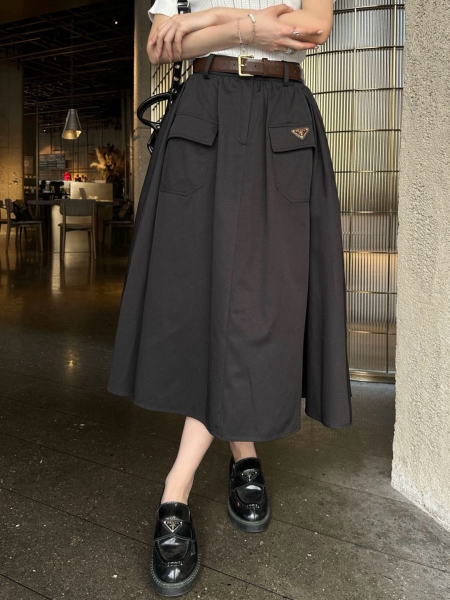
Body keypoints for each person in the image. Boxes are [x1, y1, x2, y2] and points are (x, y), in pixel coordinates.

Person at [106, 0, 351, 595]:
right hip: (204, 118)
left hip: (280, 118)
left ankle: (180, 485)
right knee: (204, 301)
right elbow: (162, 46)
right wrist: (252, 25)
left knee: (258, 304)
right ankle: (238, 457)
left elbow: (313, 28)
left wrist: (206, 18)